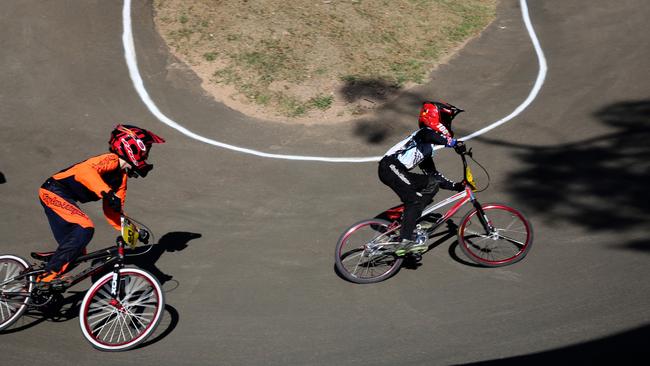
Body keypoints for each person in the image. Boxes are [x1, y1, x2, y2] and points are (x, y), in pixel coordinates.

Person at [37, 124, 165, 284]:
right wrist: (107, 192)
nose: (147, 155)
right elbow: (86, 172)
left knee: (77, 252)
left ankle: (35, 285)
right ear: (133, 148)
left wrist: (136, 231)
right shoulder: (110, 160)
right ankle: (46, 277)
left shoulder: (121, 179)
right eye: (146, 150)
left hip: (62, 196)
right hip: (53, 190)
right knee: (84, 227)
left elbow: (113, 212)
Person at [378, 101, 467, 255]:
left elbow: (433, 175)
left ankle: (411, 219)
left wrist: (457, 186)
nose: (448, 123)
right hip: (390, 167)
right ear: (436, 118)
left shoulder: (427, 148)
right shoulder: (424, 133)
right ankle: (405, 241)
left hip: (396, 170)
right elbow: (429, 135)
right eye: (447, 119)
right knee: (413, 200)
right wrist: (453, 143)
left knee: (432, 184)